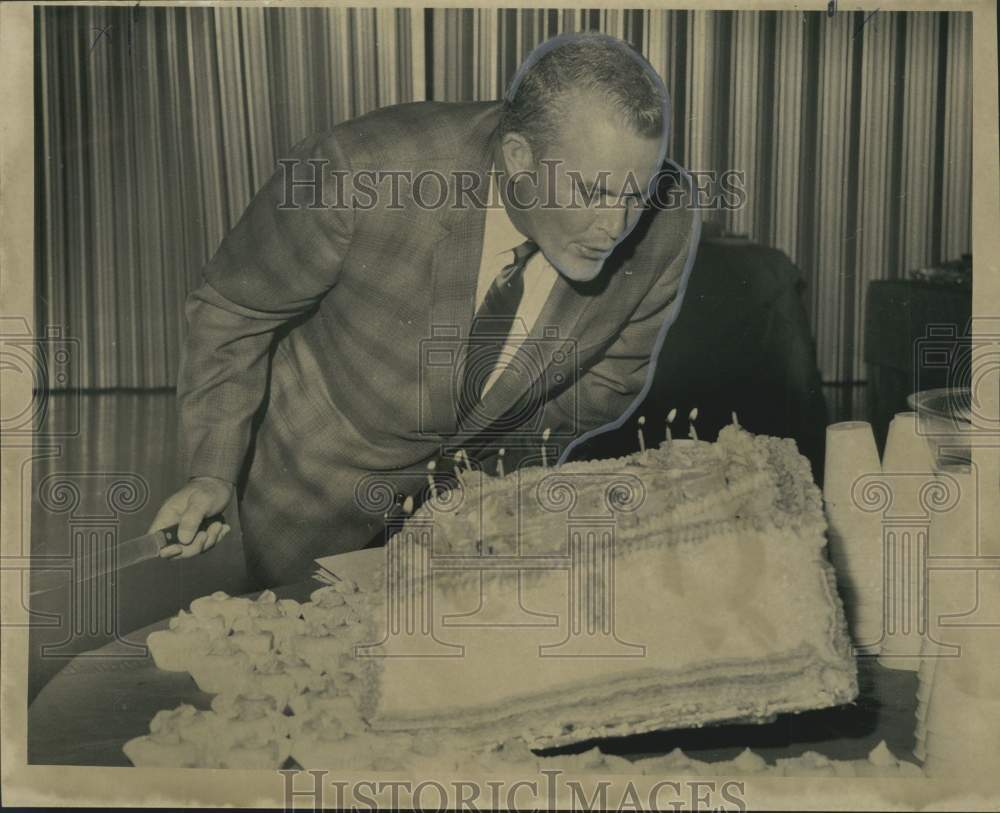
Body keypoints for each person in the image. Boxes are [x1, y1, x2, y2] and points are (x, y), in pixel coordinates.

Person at [148, 32, 701, 586]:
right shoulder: (361, 171)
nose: (616, 226)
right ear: (518, 157)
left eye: (636, 194)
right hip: (311, 486)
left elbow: (605, 383)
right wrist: (212, 472)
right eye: (591, 192)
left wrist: (492, 487)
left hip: (476, 515)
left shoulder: (668, 220)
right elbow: (233, 311)